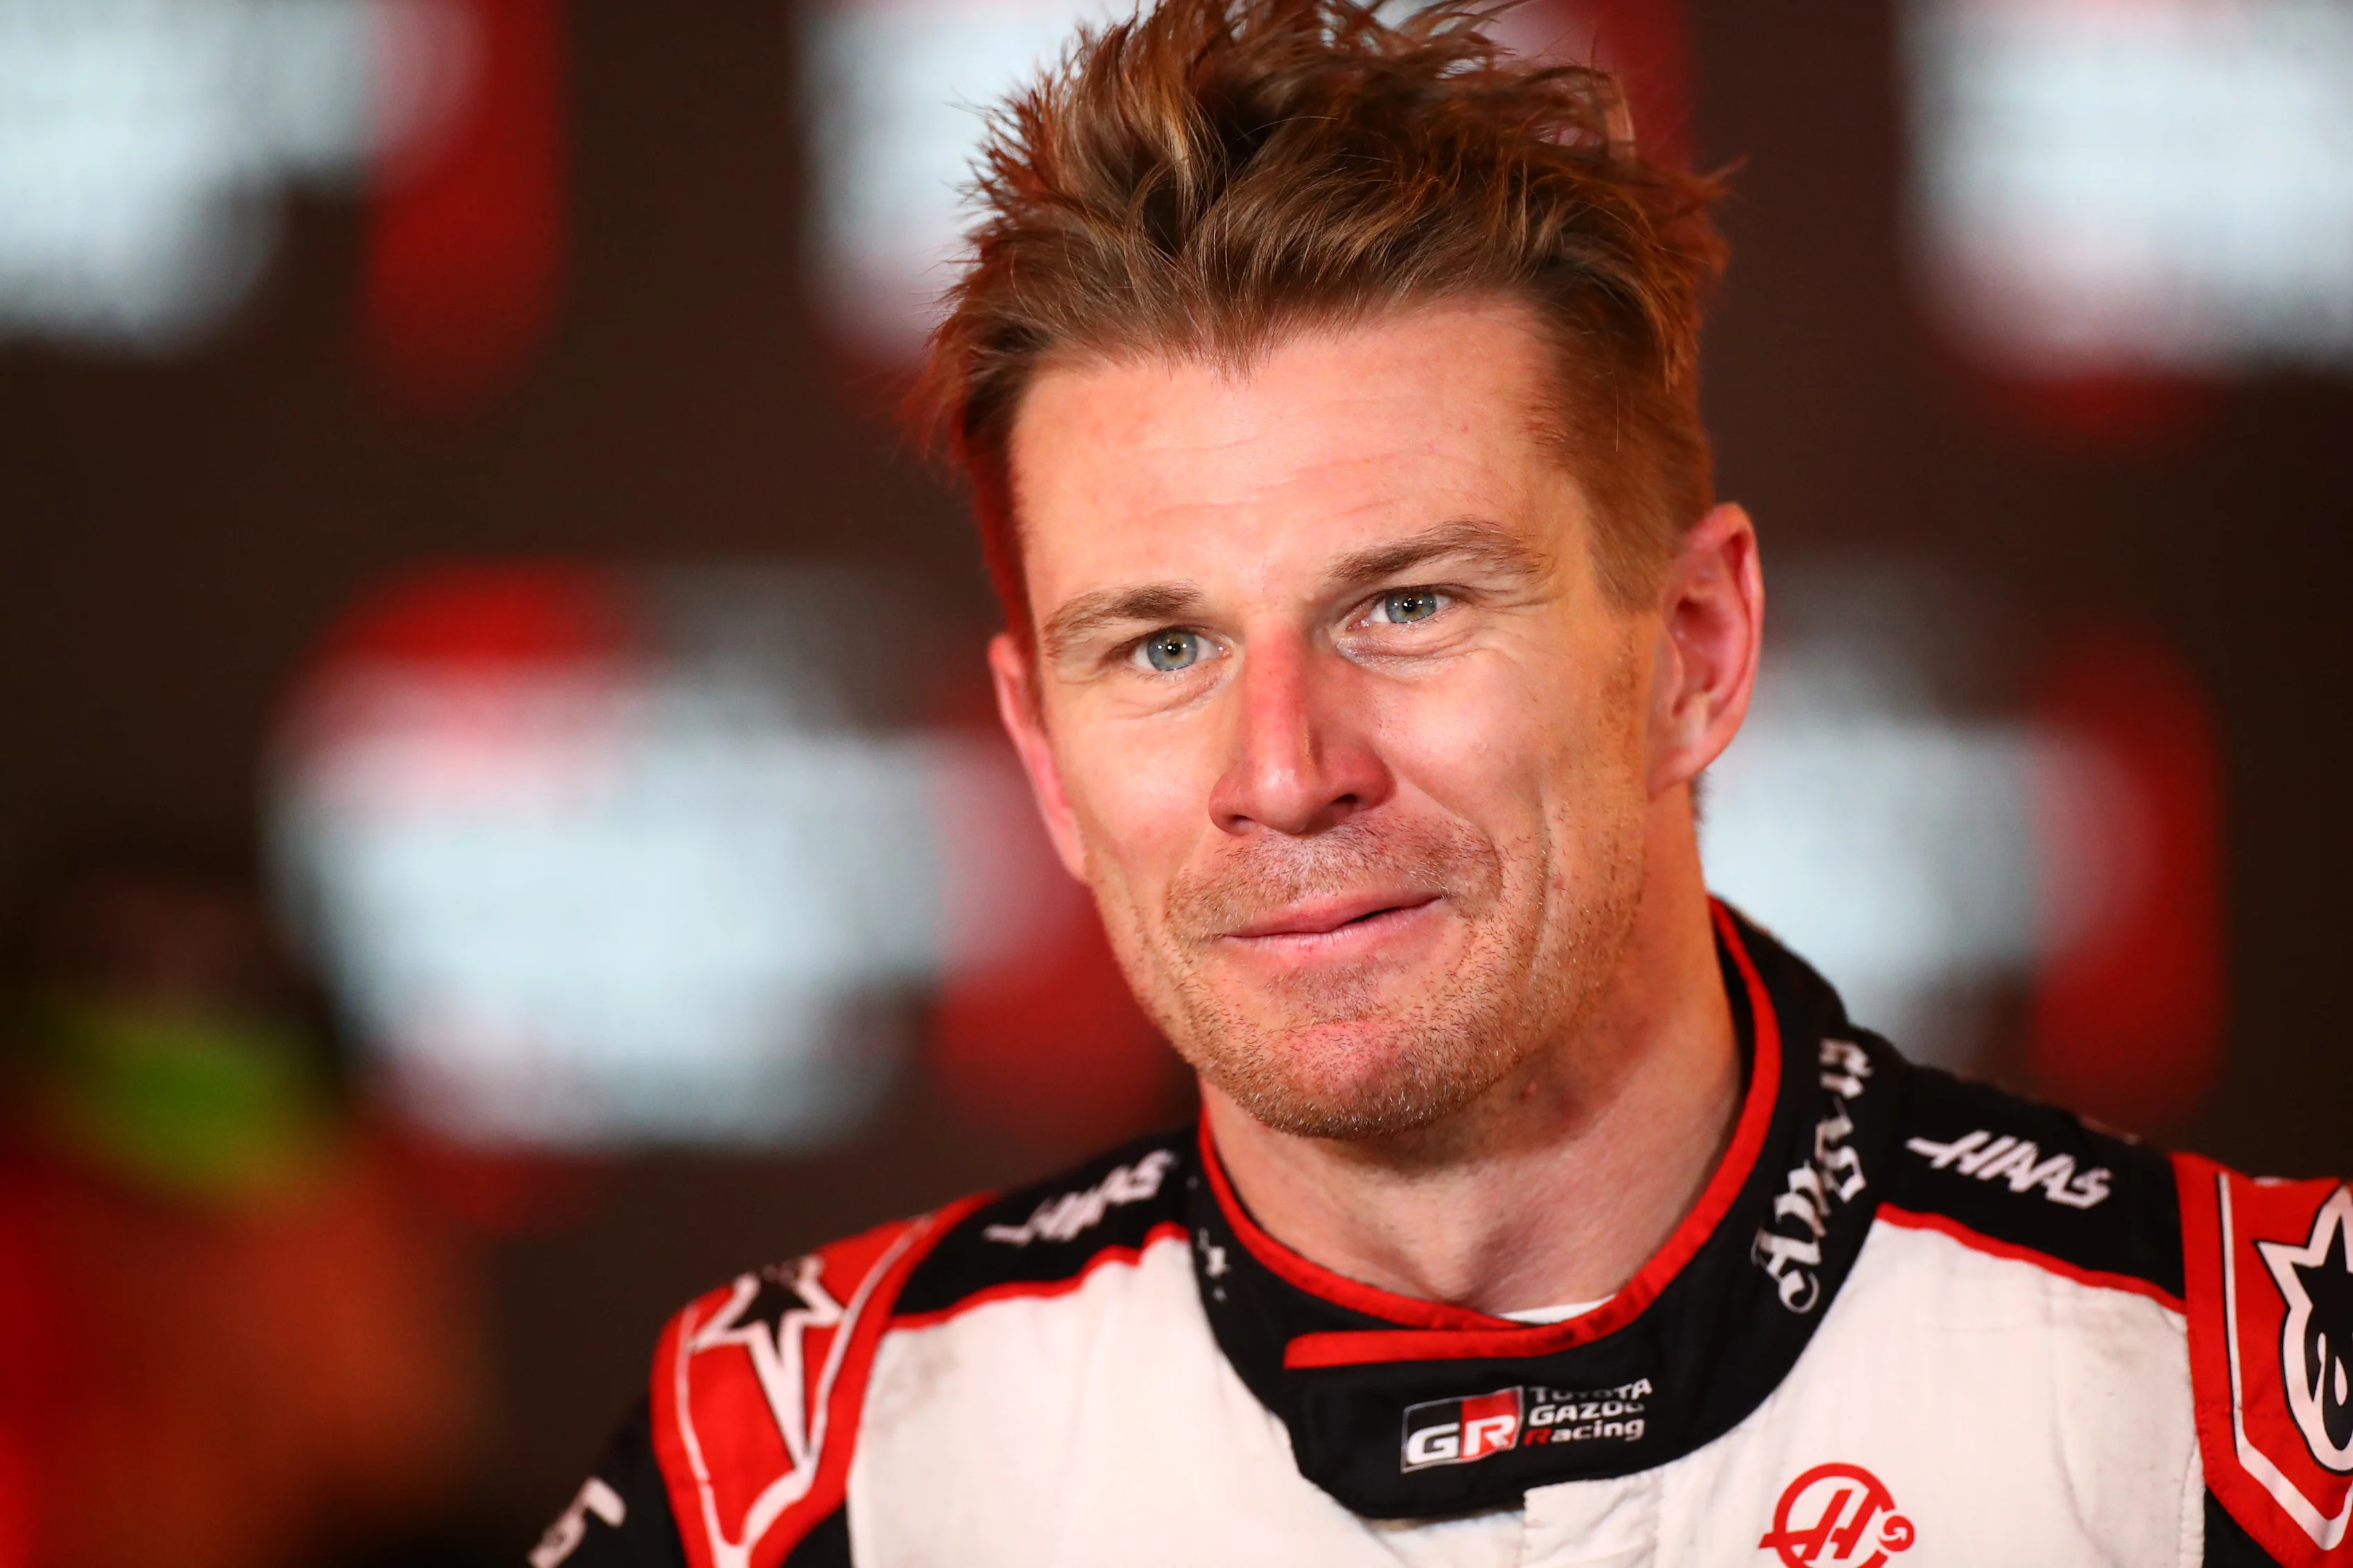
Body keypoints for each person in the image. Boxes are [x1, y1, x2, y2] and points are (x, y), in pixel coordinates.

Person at [540, 1, 2343, 1562]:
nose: (1283, 772)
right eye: (1161, 647)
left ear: (1696, 649)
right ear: (1046, 759)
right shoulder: (797, 1480)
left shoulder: (2248, 1418)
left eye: (1405, 606)